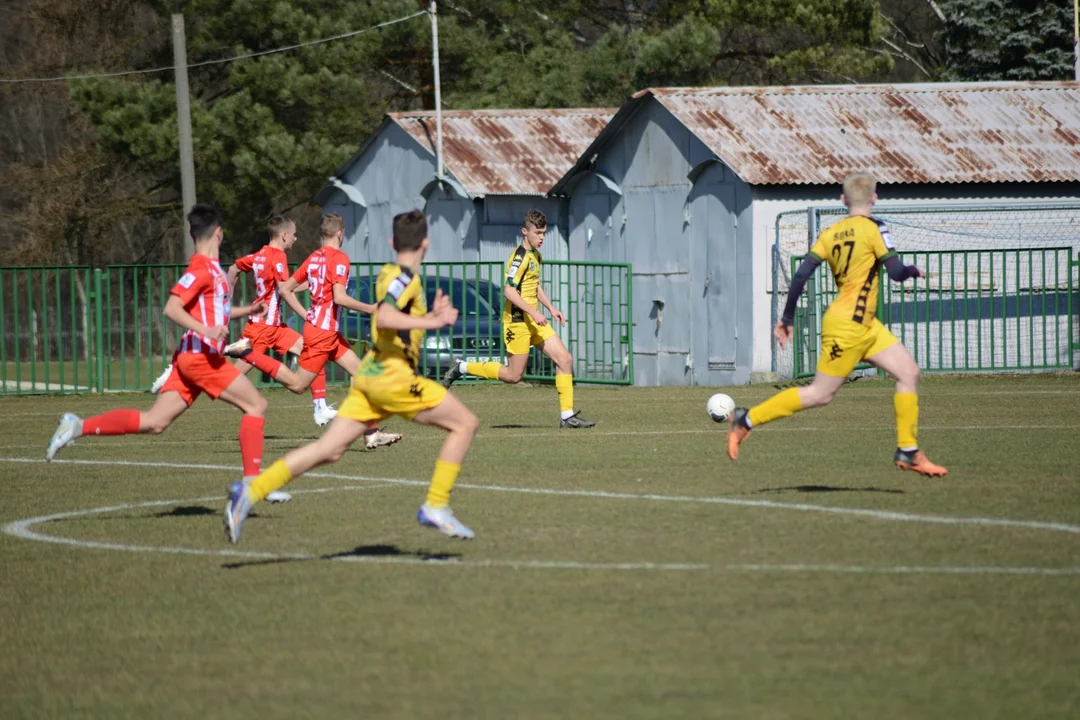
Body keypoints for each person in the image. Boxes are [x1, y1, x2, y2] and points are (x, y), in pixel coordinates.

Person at [225, 210, 480, 544]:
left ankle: (251, 491)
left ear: (391, 242)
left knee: (327, 450)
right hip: (393, 378)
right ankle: (436, 505)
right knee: (465, 424)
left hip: (370, 378)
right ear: (426, 245)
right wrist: (432, 321)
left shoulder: (390, 272)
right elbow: (386, 316)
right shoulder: (403, 276)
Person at [45, 203, 292, 501]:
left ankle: (77, 426)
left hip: (191, 358)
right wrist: (207, 331)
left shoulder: (213, 269)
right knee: (257, 406)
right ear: (219, 233)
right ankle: (253, 485)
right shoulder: (201, 268)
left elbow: (217, 311)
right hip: (201, 358)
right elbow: (171, 308)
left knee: (155, 422)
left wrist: (248, 310)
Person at [726, 172, 947, 476]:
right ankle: (746, 419)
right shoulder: (876, 228)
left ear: (843, 200)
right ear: (875, 198)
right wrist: (911, 270)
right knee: (819, 394)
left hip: (865, 325)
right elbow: (894, 272)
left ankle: (908, 450)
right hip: (848, 327)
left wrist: (787, 318)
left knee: (909, 372)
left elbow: (802, 274)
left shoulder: (831, 233)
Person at [227, 212, 402, 450]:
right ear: (341, 234)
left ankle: (371, 434)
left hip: (325, 332)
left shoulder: (313, 258)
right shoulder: (340, 259)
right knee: (298, 384)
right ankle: (248, 353)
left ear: (322, 234)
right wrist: (370, 308)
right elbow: (339, 297)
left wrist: (308, 309)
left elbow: (287, 289)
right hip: (322, 334)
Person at [150, 214, 336, 426]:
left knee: (313, 352)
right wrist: (311, 301)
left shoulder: (258, 256)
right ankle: (178, 372)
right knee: (226, 377)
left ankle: (320, 408)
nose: (296, 238)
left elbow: (234, 268)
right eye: (294, 235)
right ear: (284, 236)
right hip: (262, 330)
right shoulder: (278, 257)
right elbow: (286, 290)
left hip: (276, 328)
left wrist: (226, 297)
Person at [441, 209, 595, 429]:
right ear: (525, 231)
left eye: (544, 233)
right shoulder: (520, 257)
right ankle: (462, 367)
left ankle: (567, 416)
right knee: (514, 376)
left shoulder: (536, 255)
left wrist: (551, 308)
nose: (542, 237)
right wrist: (534, 312)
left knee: (565, 360)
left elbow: (533, 285)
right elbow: (509, 291)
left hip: (535, 321)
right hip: (517, 322)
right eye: (538, 232)